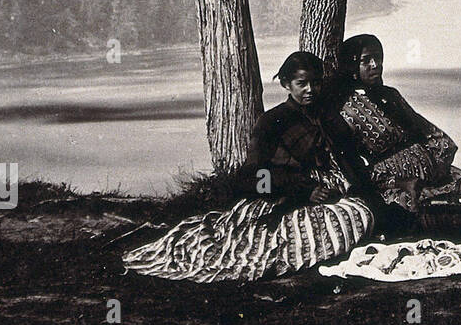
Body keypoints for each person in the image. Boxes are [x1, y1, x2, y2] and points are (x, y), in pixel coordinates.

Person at [123, 52, 378, 282]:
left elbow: (348, 159)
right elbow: (253, 174)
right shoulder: (273, 121)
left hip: (331, 189)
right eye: (302, 84)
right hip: (285, 195)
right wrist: (304, 189)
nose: (310, 90)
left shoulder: (328, 116)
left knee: (360, 214)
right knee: (328, 225)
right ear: (286, 85)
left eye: (316, 83)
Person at [328, 34, 461, 216]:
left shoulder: (391, 96)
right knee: (429, 208)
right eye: (366, 60)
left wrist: (439, 164)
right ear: (351, 65)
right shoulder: (343, 109)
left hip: (435, 173)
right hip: (397, 183)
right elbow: (351, 168)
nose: (375, 65)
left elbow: (428, 131)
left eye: (378, 57)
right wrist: (395, 182)